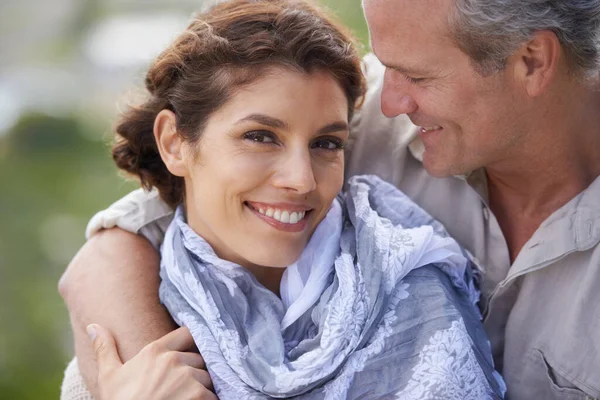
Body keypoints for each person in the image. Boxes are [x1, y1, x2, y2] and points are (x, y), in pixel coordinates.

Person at [60, 0, 600, 398]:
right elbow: (120, 244)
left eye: (415, 74)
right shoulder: (342, 112)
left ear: (532, 61)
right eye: (386, 67)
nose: (388, 102)